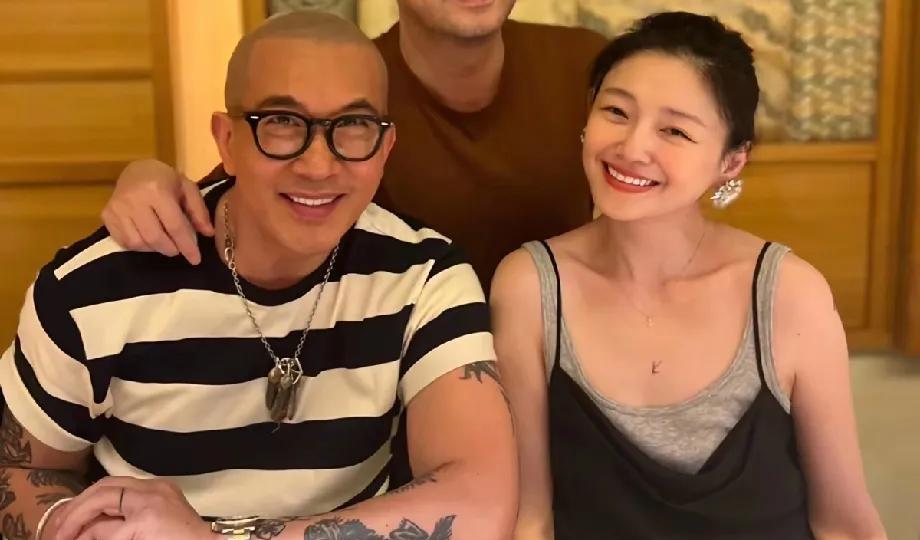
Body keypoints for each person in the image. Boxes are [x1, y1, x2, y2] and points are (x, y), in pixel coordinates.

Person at [0, 11, 515, 540]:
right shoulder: (91, 289)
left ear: (385, 149)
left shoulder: (426, 278)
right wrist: (65, 526)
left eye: (353, 126)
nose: (318, 165)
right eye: (283, 123)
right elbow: (19, 468)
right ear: (227, 141)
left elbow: (478, 501)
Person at [491, 12, 886, 540]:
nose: (632, 148)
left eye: (674, 130)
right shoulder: (529, 286)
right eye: (616, 111)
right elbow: (531, 518)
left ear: (731, 162)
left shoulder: (788, 293)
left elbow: (844, 524)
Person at [99, 0, 606, 286]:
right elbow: (235, 192)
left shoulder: (591, 69)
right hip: (390, 380)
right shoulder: (345, 89)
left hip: (565, 373)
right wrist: (149, 180)